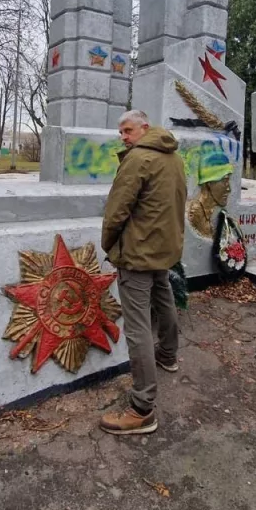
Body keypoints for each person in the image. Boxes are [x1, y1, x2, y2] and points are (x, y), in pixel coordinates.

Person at [99, 109, 187, 435]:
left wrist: (109, 244)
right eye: (120, 132)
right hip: (164, 250)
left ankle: (141, 408)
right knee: (164, 302)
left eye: (127, 130)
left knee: (137, 328)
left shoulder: (138, 159)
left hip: (137, 253)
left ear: (144, 127)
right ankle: (168, 355)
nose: (123, 137)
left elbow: (116, 211)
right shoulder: (174, 157)